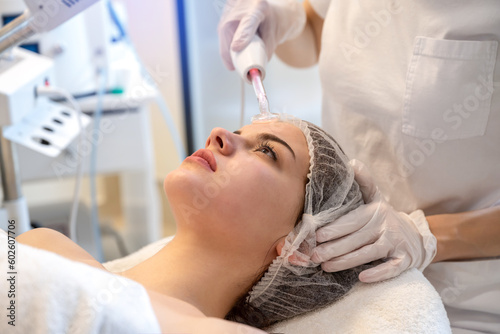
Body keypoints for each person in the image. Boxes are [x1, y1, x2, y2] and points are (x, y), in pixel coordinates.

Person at [218, 1, 500, 333]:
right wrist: (286, 20)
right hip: (343, 285)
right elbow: (314, 32)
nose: (219, 136)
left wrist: (427, 237)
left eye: (269, 152)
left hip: (468, 300)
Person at [14, 115, 369, 332]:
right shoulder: (44, 244)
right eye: (237, 131)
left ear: (300, 246)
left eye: (266, 151)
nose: (218, 134)